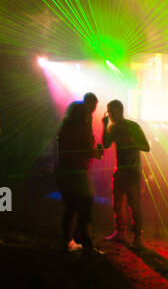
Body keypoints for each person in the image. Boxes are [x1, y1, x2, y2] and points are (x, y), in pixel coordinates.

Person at [102, 99, 150, 250]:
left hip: (132, 171)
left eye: (111, 111)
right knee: (118, 203)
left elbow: (146, 147)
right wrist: (105, 126)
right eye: (108, 111)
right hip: (120, 170)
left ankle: (137, 238)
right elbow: (106, 144)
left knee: (134, 205)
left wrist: (132, 143)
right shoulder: (114, 127)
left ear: (119, 110)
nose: (109, 114)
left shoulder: (133, 126)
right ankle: (120, 232)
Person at [56, 96, 101, 252]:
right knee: (85, 207)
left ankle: (68, 241)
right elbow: (87, 151)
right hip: (79, 171)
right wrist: (96, 153)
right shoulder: (83, 128)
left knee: (71, 207)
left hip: (64, 170)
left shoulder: (65, 127)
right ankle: (87, 244)